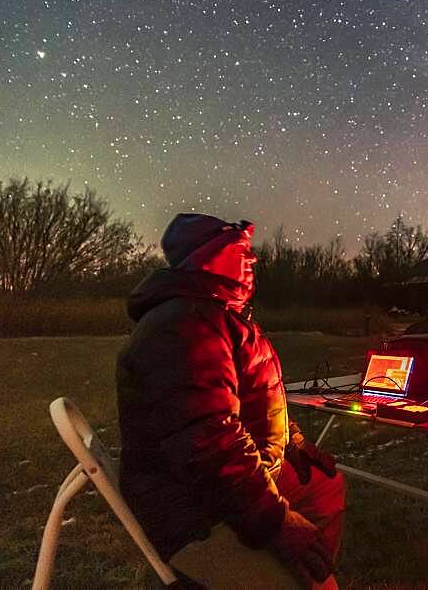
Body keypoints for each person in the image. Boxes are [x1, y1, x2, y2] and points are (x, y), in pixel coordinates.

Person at [116, 213, 345, 588]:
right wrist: (277, 524)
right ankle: (290, 575)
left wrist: (294, 442)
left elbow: (254, 399)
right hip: (194, 505)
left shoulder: (216, 314)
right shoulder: (181, 326)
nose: (253, 260)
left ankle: (307, 566)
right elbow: (208, 442)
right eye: (241, 250)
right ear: (205, 258)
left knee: (324, 486)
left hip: (234, 479)